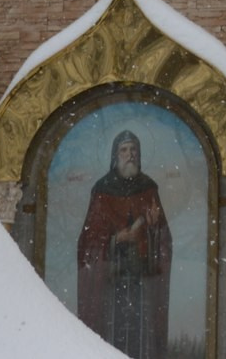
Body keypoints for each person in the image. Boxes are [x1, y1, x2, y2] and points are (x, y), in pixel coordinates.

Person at [76, 129, 171, 357]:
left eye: (133, 150)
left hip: (141, 282)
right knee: (111, 333)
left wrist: (153, 228)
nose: (130, 155)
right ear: (115, 155)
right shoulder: (102, 191)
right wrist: (116, 239)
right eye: (124, 150)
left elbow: (164, 243)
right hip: (111, 281)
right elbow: (88, 243)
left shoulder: (148, 189)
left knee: (141, 337)